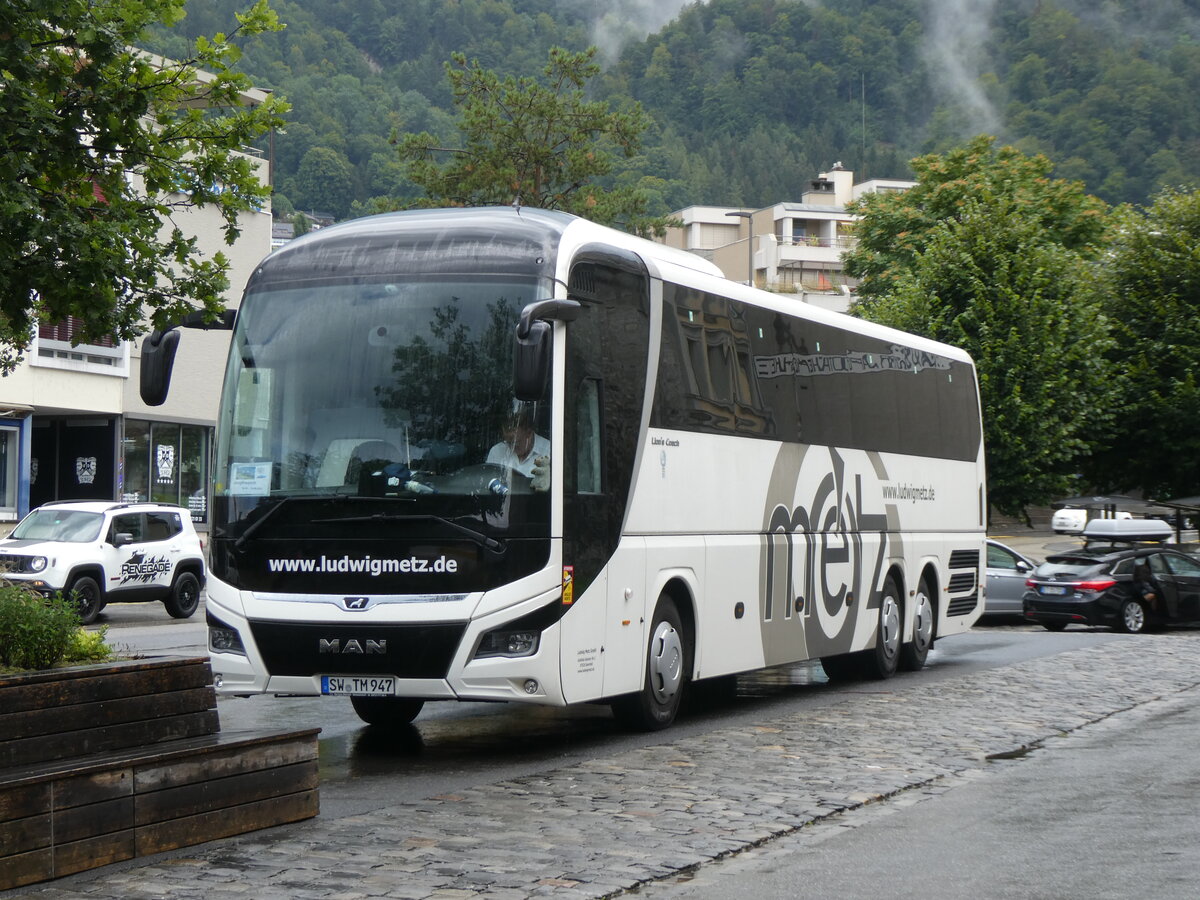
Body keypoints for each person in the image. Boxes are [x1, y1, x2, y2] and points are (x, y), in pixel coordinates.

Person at [487, 410, 550, 489]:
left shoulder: (549, 451)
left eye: (516, 442)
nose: (512, 447)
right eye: (509, 443)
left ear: (529, 433)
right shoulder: (497, 452)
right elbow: (489, 485)